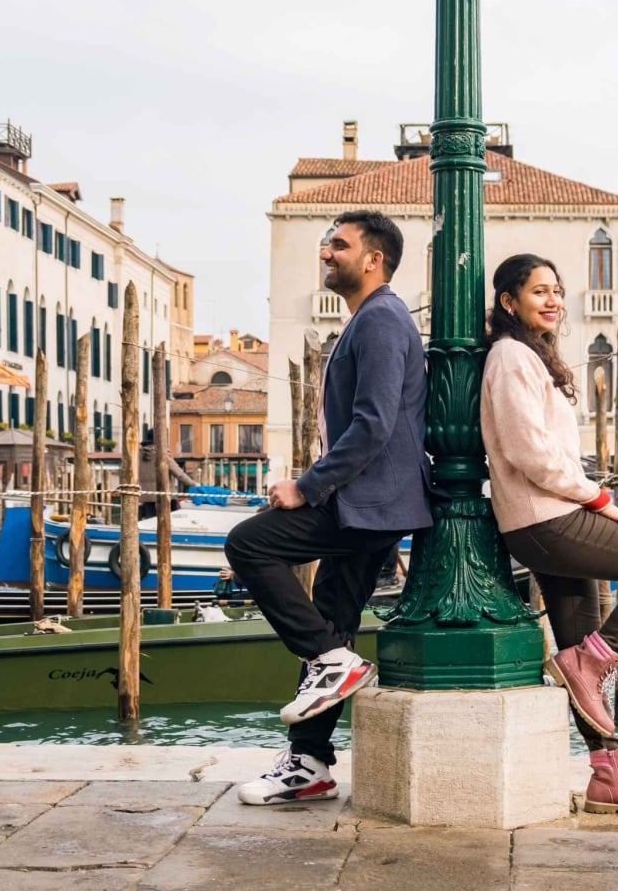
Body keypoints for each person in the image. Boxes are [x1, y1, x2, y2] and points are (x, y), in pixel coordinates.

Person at [225, 209, 431, 805]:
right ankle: (309, 763)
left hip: (371, 502)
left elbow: (373, 425)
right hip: (373, 504)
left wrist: (307, 486)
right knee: (333, 620)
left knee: (249, 543)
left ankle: (329, 660)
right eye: (324, 244)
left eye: (338, 245)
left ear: (374, 259)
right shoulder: (371, 319)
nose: (325, 253)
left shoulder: (382, 320)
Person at [479, 253, 618, 815]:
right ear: (509, 302)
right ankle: (598, 658)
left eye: (557, 290)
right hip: (545, 519)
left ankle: (610, 776)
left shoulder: (530, 356)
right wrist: (600, 500)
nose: (553, 300)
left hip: (545, 517)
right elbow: (529, 451)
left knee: (578, 653)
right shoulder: (509, 356)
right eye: (538, 292)